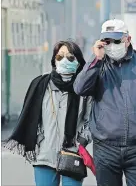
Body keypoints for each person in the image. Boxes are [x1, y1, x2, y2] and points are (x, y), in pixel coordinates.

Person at [74, 19, 136, 186]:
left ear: (128, 39)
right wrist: (95, 60)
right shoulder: (97, 65)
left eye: (116, 41)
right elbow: (80, 88)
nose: (112, 45)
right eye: (107, 41)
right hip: (105, 148)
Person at [4, 40, 92, 186]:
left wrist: (82, 141)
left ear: (78, 61)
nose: (64, 60)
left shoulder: (84, 90)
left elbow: (91, 121)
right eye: (60, 57)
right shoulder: (40, 85)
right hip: (44, 156)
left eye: (70, 57)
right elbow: (31, 118)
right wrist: (38, 139)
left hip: (73, 154)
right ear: (54, 60)